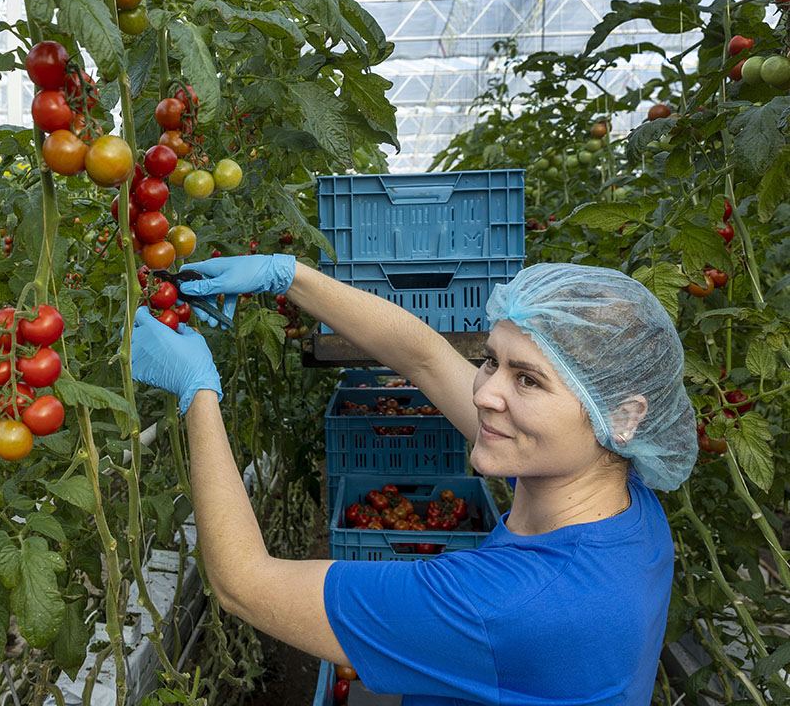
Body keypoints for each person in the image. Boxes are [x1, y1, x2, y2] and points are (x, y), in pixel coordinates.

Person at [130, 255, 698, 705]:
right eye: (492, 361)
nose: (485, 393)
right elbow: (425, 357)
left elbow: (243, 584)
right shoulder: (623, 505)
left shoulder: (507, 605)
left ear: (623, 416)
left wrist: (198, 392)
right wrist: (288, 275)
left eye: (528, 381)